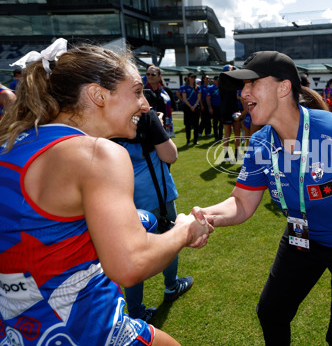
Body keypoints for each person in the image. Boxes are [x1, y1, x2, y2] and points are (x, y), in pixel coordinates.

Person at [0, 39, 212, 345]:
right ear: (98, 95)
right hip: (86, 328)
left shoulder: (12, 145)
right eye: (137, 92)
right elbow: (129, 265)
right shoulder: (97, 154)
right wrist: (184, 231)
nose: (146, 105)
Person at [195, 50, 332, 346]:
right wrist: (204, 216)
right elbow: (241, 202)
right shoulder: (261, 142)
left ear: (283, 87)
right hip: (302, 237)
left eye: (251, 83)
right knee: (271, 312)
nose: (243, 93)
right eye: (242, 86)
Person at [115, 110, 194, 322]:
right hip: (155, 198)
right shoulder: (147, 118)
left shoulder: (104, 119)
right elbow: (170, 155)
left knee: (131, 255)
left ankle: (136, 312)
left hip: (121, 202)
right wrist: (156, 126)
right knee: (169, 241)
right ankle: (172, 286)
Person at [144, 65, 174, 136]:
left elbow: (171, 108)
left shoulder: (167, 91)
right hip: (147, 126)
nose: (150, 76)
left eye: (153, 74)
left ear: (159, 77)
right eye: (148, 74)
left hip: (163, 125)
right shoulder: (142, 91)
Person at [179, 73, 201, 146]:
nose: (193, 78)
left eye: (194, 77)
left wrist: (194, 106)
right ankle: (188, 140)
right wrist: (190, 106)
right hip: (187, 107)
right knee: (188, 125)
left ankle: (195, 140)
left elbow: (199, 98)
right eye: (192, 77)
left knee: (196, 124)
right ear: (188, 78)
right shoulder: (184, 87)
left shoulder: (197, 87)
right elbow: (184, 98)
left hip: (195, 107)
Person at [206, 75, 223, 141]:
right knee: (215, 122)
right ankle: (216, 137)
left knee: (221, 122)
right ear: (214, 80)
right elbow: (208, 98)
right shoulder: (210, 88)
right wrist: (210, 107)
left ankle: (220, 136)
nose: (218, 81)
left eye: (219, 80)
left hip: (221, 107)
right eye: (217, 80)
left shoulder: (222, 87)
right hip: (214, 107)